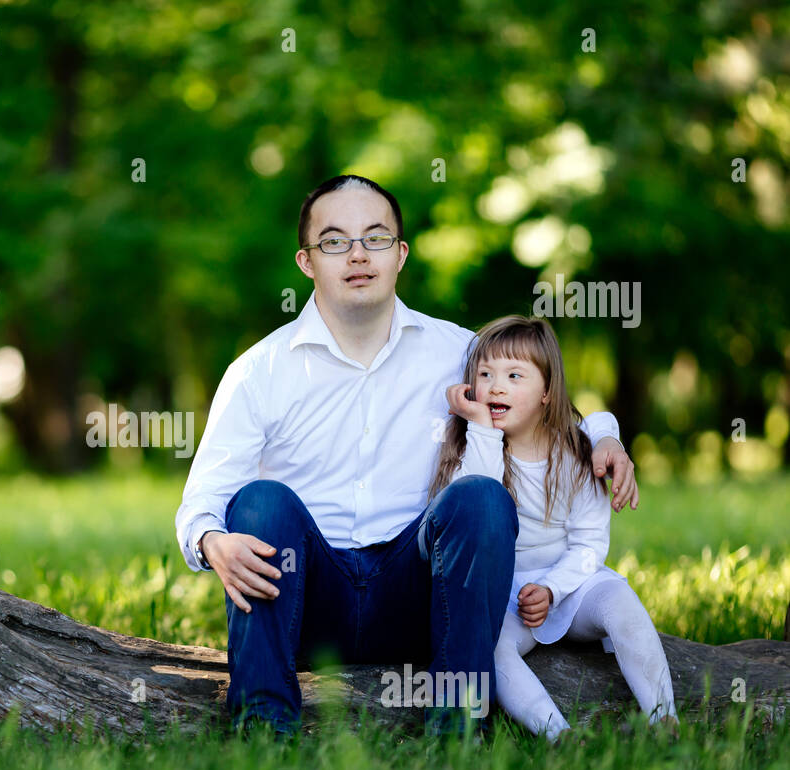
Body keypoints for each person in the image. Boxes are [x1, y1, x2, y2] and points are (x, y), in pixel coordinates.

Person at [175, 173, 640, 738]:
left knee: (481, 498)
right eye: (334, 241)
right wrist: (209, 541)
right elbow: (203, 498)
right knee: (258, 504)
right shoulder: (259, 370)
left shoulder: (459, 352)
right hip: (307, 601)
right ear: (306, 262)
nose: (356, 255)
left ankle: (460, 730)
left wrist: (605, 434)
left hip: (419, 593)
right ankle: (265, 734)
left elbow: (544, 405)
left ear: (400, 255)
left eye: (374, 238)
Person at [431, 314, 678, 740]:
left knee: (621, 602)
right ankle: (558, 735)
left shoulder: (577, 453)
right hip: (506, 595)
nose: (495, 386)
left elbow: (588, 544)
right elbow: (478, 497)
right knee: (495, 652)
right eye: (485, 374)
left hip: (572, 581)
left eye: (513, 375)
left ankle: (664, 717)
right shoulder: (469, 448)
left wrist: (552, 589)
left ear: (546, 392)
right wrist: (482, 428)